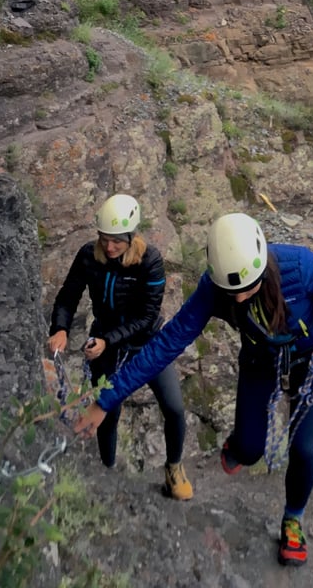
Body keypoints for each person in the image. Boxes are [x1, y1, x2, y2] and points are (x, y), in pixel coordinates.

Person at [74, 211, 313, 567]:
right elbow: (164, 345)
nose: (238, 300)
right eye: (231, 292)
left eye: (247, 289)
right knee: (248, 451)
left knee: (304, 449)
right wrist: (106, 400)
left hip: (311, 358)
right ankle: (241, 445)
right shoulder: (212, 290)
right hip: (260, 361)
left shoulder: (298, 265)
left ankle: (293, 519)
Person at [49, 193, 192, 500]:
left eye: (116, 241)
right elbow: (68, 295)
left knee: (175, 409)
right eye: (104, 239)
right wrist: (60, 328)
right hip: (106, 342)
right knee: (108, 412)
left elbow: (147, 317)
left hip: (147, 344)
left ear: (131, 237)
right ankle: (108, 471)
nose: (109, 247)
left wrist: (106, 340)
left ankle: (174, 468)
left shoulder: (149, 262)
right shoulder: (89, 255)